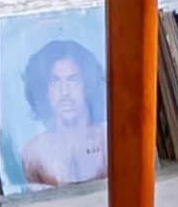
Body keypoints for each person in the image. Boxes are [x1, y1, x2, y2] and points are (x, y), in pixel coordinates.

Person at [13, 36, 109, 188]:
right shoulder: (33, 152)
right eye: (54, 82)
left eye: (73, 80)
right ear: (45, 91)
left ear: (87, 85)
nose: (64, 92)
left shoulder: (109, 141)